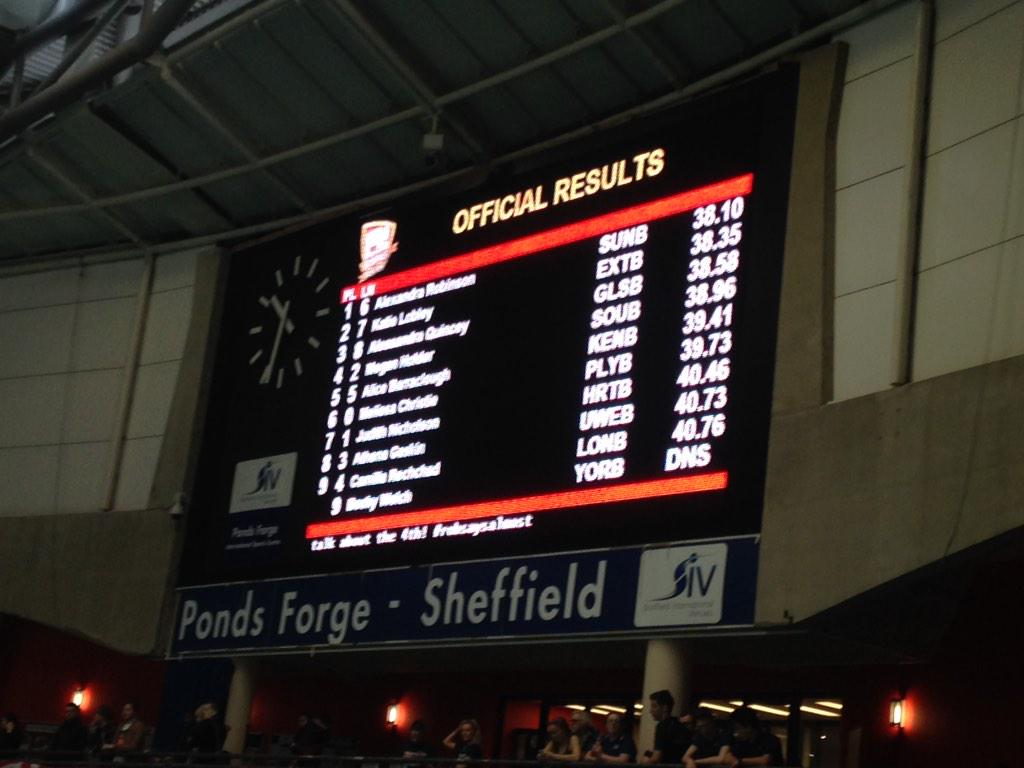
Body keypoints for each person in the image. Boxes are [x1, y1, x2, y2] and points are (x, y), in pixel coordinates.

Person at [640, 691, 690, 765]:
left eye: (654, 706)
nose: (651, 710)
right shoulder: (679, 723)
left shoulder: (662, 726)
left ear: (665, 708)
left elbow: (657, 757)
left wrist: (643, 763)